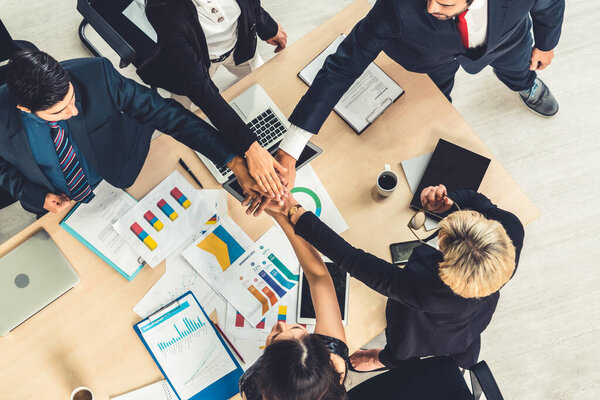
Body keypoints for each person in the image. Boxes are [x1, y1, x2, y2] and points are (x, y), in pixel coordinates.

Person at [275, 0, 565, 187]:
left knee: (518, 70)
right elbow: (344, 65)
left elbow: (549, 3)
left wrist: (546, 43)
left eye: (444, 3)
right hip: (429, 60)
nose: (429, 8)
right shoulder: (397, 6)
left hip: (507, 43)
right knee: (437, 102)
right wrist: (291, 147)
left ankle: (524, 84)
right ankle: (442, 107)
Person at [266, 184, 524, 370]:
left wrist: (293, 211)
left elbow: (352, 259)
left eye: (440, 244)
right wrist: (448, 203)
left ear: (446, 270)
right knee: (464, 337)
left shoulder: (427, 292)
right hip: (476, 315)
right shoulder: (511, 230)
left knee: (403, 346)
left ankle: (383, 359)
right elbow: (475, 199)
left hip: (430, 332)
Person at [0, 50, 261, 216]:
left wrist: (233, 160)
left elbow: (166, 114)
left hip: (119, 172)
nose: (73, 111)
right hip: (53, 204)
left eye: (71, 98)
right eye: (59, 112)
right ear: (25, 108)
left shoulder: (96, 75)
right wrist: (37, 197)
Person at [138, 0, 289, 200]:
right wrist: (250, 147)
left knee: (268, 91)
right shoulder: (163, 9)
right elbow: (199, 88)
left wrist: (267, 26)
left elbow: (250, 5)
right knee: (186, 117)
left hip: (240, 47)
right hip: (194, 65)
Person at [238, 208, 348, 400]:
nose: (281, 324)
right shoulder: (334, 364)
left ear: (264, 382)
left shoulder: (256, 392)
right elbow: (319, 277)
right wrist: (281, 215)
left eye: (276, 337)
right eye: (301, 331)